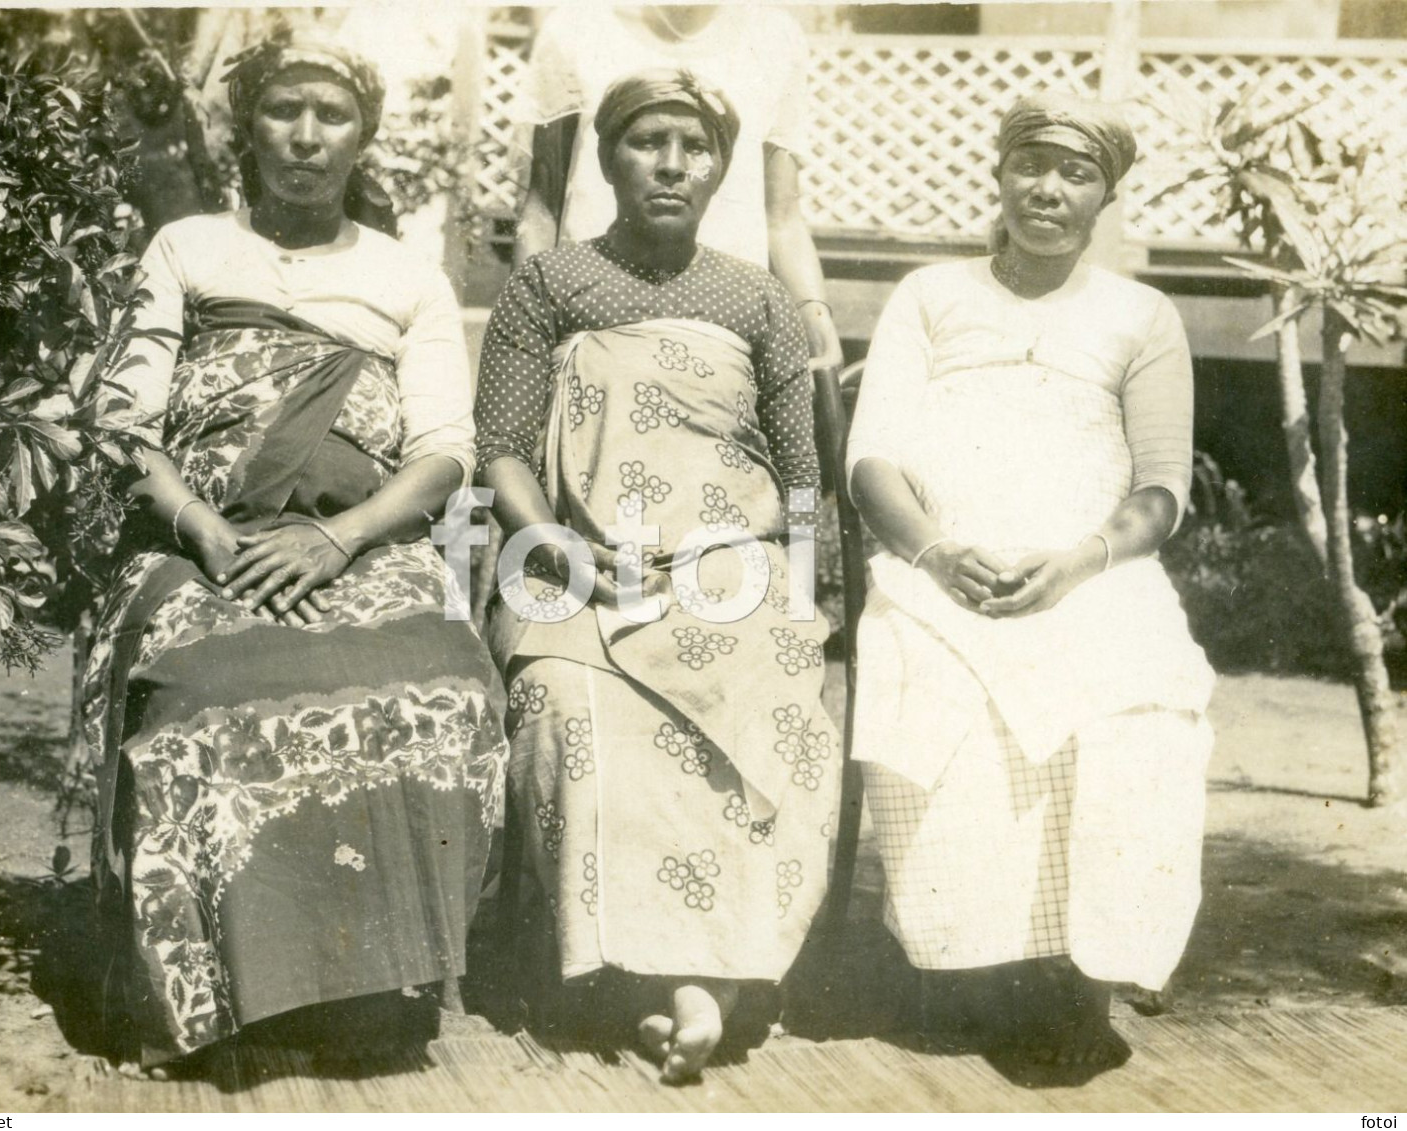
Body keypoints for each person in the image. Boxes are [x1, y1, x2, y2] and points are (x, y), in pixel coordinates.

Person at [79, 32, 508, 1072]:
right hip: (201, 536)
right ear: (246, 126)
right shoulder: (187, 248)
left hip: (358, 540)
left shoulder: (403, 276)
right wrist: (206, 533)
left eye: (331, 116)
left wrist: (339, 537)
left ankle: (370, 975)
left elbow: (447, 448)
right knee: (194, 688)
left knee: (444, 679)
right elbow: (125, 427)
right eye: (283, 111)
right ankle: (220, 990)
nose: (305, 137)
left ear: (362, 137)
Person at [475, 71, 839, 1083]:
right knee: (564, 704)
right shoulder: (548, 287)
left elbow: (800, 473)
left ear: (722, 166)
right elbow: (500, 446)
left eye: (695, 145)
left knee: (779, 709)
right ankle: (656, 980)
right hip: (579, 560)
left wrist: (810, 594)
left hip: (733, 565)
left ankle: (713, 978)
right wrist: (549, 541)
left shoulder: (755, 296)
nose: (672, 164)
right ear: (606, 158)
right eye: (647, 142)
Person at [845, 93, 1216, 1070]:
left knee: (1145, 706)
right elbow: (871, 460)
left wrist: (1078, 561)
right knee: (941, 689)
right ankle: (976, 961)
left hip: (1089, 568)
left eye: (1076, 173)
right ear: (1000, 173)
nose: (1048, 188)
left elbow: (1161, 489)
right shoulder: (930, 295)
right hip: (941, 566)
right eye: (1030, 165)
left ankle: (1087, 962)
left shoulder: (1141, 314)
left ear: (1104, 197)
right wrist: (933, 551)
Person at [513, 4, 842, 372]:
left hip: (726, 332)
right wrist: (525, 326)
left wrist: (815, 315)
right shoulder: (576, 27)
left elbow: (781, 216)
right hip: (594, 325)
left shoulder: (775, 37)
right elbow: (542, 207)